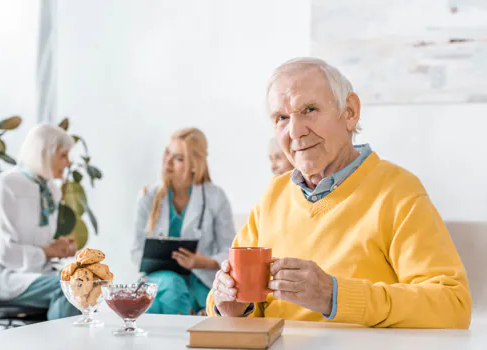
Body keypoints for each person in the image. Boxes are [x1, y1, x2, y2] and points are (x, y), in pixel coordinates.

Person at [207, 58, 472, 329]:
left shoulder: (399, 191)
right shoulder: (274, 194)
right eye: (282, 118)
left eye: (309, 109)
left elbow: (452, 305)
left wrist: (334, 296)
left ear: (350, 112)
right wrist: (230, 306)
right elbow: (238, 305)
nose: (295, 131)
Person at [0, 124, 79, 320]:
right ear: (44, 153)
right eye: (63, 155)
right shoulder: (4, 185)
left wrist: (57, 247)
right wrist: (48, 252)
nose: (68, 163)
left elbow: (38, 243)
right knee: (68, 287)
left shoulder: (51, 189)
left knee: (86, 280)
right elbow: (5, 253)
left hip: (33, 272)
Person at [131, 127, 236, 315]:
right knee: (172, 286)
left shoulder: (215, 197)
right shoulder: (148, 196)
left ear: (195, 164)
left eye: (178, 158)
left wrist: (202, 262)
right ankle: (192, 316)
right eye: (167, 153)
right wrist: (156, 259)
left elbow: (230, 249)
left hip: (200, 279)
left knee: (167, 300)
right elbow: (136, 251)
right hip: (159, 280)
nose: (168, 162)